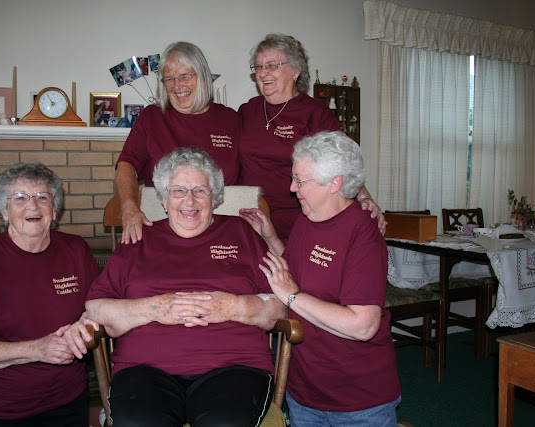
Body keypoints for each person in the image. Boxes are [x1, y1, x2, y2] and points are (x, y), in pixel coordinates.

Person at [78, 147, 285, 426]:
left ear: (214, 197)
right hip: (145, 371)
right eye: (178, 191)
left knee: (225, 422)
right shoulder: (137, 240)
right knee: (141, 421)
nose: (189, 201)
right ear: (163, 199)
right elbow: (96, 309)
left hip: (235, 367)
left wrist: (234, 307)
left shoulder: (242, 233)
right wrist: (154, 308)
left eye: (200, 190)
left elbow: (280, 305)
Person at [241, 131, 400, 427]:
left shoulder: (363, 233)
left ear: (334, 183)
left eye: (300, 180)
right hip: (305, 393)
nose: (292, 188)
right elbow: (298, 271)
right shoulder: (308, 218)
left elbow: (363, 325)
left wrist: (292, 297)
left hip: (357, 402)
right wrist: (270, 237)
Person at [0, 162, 99, 426]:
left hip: (67, 399)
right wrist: (37, 349)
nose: (32, 205)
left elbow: (98, 310)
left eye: (42, 197)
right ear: (3, 212)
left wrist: (83, 330)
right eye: (19, 198)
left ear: (55, 209)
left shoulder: (76, 250)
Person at [238, 34, 384, 242]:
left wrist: (364, 198)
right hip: (252, 218)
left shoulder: (315, 114)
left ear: (296, 70)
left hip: (299, 220)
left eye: (272, 65)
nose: (263, 72)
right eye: (259, 66)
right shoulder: (247, 110)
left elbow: (341, 163)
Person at [115, 41, 240, 244]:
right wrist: (129, 208)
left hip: (222, 232)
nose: (177, 85)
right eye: (169, 79)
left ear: (202, 76)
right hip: (165, 231)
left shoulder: (231, 119)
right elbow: (126, 165)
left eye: (185, 76)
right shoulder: (152, 117)